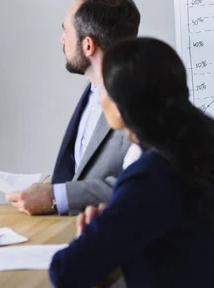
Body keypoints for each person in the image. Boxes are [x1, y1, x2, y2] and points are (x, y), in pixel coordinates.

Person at [49, 37, 214, 287]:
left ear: (121, 104)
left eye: (103, 88)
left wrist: (97, 233)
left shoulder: (152, 176)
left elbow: (67, 270)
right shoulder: (200, 142)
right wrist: (121, 216)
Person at [6, 0, 140, 216]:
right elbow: (85, 168)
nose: (61, 38)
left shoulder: (141, 100)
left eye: (66, 30)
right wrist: (54, 185)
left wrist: (56, 196)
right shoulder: (92, 91)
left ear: (88, 45)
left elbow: (141, 186)